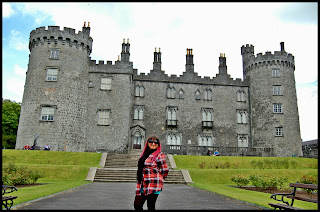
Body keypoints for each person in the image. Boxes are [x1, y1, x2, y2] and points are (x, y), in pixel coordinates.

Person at [134, 135, 169, 211]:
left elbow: (165, 170)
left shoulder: (159, 155)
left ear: (158, 144)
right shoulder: (144, 154)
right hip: (143, 183)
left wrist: (158, 177)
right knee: (137, 205)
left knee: (150, 206)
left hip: (153, 184)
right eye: (151, 142)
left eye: (156, 142)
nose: (153, 144)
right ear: (147, 143)